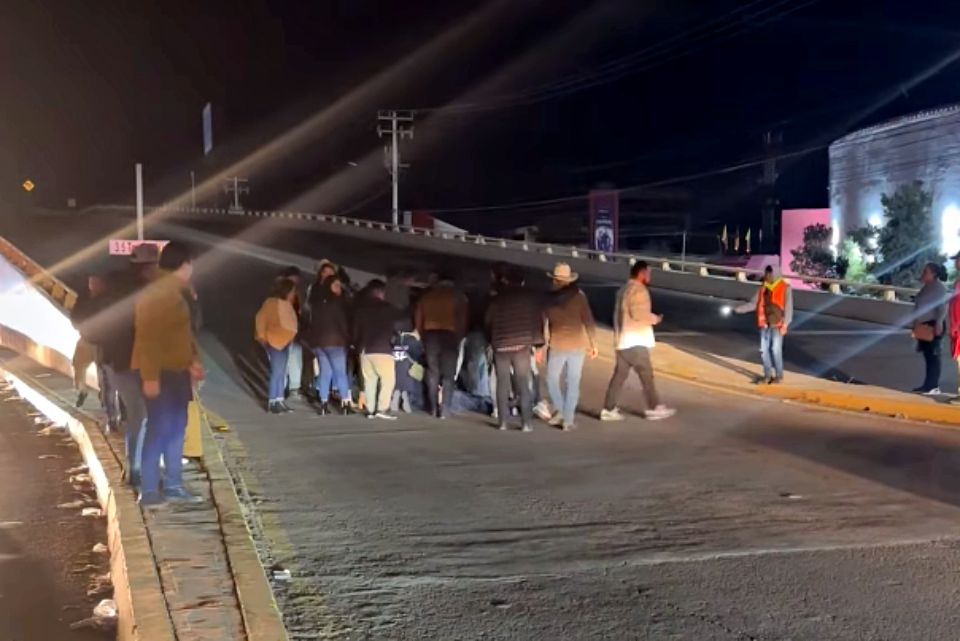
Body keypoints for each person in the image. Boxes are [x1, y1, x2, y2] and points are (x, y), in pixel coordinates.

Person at [131, 242, 204, 507]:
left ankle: (174, 484)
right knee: (158, 429)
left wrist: (193, 360)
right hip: (160, 373)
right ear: (183, 264)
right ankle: (149, 491)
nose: (192, 269)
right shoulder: (157, 294)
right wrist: (150, 377)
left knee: (176, 429)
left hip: (178, 370)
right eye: (190, 264)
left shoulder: (179, 292)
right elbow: (147, 339)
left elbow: (185, 334)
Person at [89, 243, 159, 487]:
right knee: (141, 413)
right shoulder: (145, 291)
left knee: (139, 413)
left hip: (117, 360)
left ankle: (136, 467)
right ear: (147, 267)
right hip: (128, 361)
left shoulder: (114, 288)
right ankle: (135, 469)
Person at [485, 268, 570, 431]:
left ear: (506, 282)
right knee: (523, 383)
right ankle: (526, 423)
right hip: (521, 346)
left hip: (501, 346)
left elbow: (488, 321)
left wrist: (493, 338)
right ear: (522, 283)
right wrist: (538, 344)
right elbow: (537, 319)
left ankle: (503, 422)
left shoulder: (497, 299)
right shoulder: (528, 298)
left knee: (502, 384)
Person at [600, 261, 676, 421]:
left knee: (619, 377)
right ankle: (654, 407)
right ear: (641, 273)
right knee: (646, 376)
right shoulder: (639, 290)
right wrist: (655, 319)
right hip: (635, 340)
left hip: (622, 340)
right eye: (648, 273)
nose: (649, 276)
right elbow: (638, 314)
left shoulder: (623, 289)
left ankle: (608, 408)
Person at [543, 263, 598, 431]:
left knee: (551, 380)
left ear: (554, 279)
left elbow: (543, 322)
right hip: (577, 345)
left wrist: (541, 345)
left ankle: (560, 411)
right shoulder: (579, 296)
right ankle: (568, 419)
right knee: (573, 383)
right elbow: (588, 320)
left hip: (557, 345)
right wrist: (594, 344)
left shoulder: (548, 298)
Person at [415, 274, 469, 419]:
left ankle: (433, 408)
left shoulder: (426, 297)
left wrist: (424, 338)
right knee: (448, 376)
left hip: (431, 336)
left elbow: (419, 321)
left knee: (433, 372)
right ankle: (445, 410)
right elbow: (461, 320)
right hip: (449, 336)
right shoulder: (457, 297)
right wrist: (458, 338)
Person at [733, 264, 794, 385]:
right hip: (764, 324)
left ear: (775, 274)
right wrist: (739, 309)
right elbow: (753, 304)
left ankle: (779, 376)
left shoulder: (785, 288)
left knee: (775, 350)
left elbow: (789, 309)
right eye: (766, 273)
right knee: (764, 351)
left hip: (777, 324)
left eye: (769, 273)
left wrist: (785, 324)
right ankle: (767, 376)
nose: (766, 276)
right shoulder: (763, 288)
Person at [353, 280, 404, 419]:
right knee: (388, 380)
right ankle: (382, 408)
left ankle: (370, 410)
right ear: (380, 292)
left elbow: (355, 331)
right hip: (382, 349)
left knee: (370, 380)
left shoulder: (361, 309)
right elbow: (401, 320)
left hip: (365, 350)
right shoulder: (387, 308)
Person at [305, 274, 353, 414]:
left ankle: (324, 404)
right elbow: (342, 324)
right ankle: (345, 403)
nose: (339, 288)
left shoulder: (318, 304)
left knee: (325, 373)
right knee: (340, 373)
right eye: (336, 285)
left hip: (319, 344)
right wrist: (348, 340)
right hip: (335, 342)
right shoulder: (337, 303)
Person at [255, 278, 299, 414]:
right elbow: (261, 319)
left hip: (285, 342)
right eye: (292, 291)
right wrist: (262, 337)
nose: (293, 294)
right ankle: (272, 401)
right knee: (277, 372)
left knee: (282, 372)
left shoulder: (287, 304)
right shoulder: (271, 303)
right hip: (274, 341)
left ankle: (279, 400)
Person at [911, 261, 948, 395]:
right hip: (924, 325)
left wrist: (938, 323)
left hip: (933, 325)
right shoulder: (927, 287)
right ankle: (927, 385)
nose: (923, 274)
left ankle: (933, 386)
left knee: (933, 356)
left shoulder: (939, 288)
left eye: (926, 272)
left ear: (933, 274)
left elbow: (942, 308)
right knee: (928, 356)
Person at [71, 275, 107, 408]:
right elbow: (75, 316)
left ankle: (105, 399)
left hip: (101, 342)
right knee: (78, 365)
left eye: (96, 282)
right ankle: (82, 391)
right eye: (91, 282)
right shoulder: (84, 298)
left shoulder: (106, 300)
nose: (93, 285)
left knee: (102, 372)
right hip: (86, 339)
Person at [277, 266, 306, 400]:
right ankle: (282, 389)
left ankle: (294, 387)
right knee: (285, 360)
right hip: (283, 332)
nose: (297, 281)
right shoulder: (280, 292)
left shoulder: (296, 292)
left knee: (295, 359)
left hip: (294, 331)